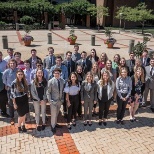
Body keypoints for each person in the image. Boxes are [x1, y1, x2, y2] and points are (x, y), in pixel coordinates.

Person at [47, 68, 65, 134]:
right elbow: (48, 92)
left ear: (60, 74)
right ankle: (53, 126)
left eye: (58, 73)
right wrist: (50, 100)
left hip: (59, 101)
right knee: (53, 114)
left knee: (57, 113)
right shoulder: (50, 81)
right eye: (55, 73)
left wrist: (62, 99)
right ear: (53, 74)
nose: (56, 74)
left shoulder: (62, 81)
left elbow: (63, 91)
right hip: (53, 101)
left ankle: (55, 123)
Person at [2, 59, 18, 125]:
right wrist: (6, 84)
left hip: (18, 89)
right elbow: (3, 79)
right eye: (11, 63)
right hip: (10, 89)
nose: (12, 64)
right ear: (9, 64)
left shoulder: (18, 70)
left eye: (13, 63)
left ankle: (21, 115)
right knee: (10, 103)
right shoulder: (6, 71)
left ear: (16, 64)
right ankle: (12, 117)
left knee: (18, 102)